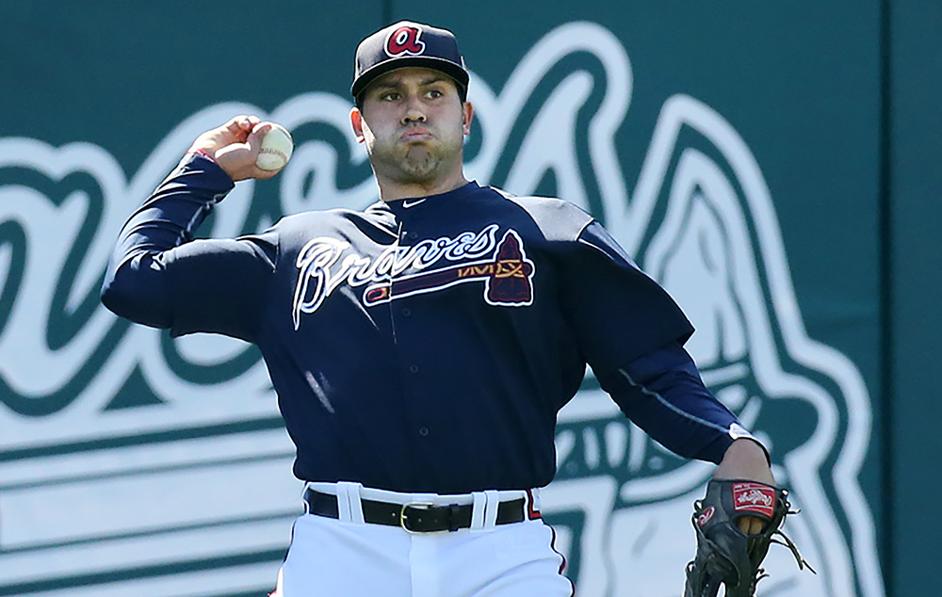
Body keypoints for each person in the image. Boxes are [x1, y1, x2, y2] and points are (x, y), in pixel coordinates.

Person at [101, 20, 775, 597]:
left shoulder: (548, 230)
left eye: (434, 92)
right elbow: (134, 280)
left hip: (500, 551)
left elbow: (646, 366)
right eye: (391, 96)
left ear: (465, 115)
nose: (414, 109)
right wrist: (202, 170)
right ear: (361, 126)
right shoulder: (297, 249)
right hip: (340, 550)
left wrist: (733, 441)